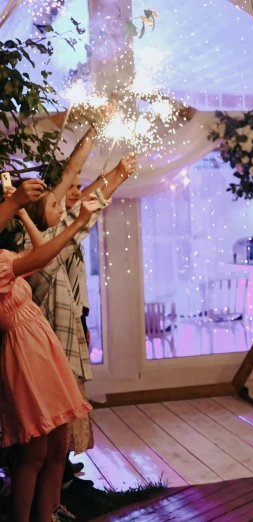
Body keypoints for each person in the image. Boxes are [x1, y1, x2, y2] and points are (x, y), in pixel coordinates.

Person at [23, 152, 136, 493]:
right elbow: (77, 222)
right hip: (46, 353)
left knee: (57, 447)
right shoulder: (35, 254)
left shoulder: (47, 245)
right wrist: (116, 174)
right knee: (44, 448)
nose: (66, 202)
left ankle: (57, 503)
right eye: (55, 202)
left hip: (61, 340)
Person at [0, 179, 98, 522]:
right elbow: (44, 255)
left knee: (57, 442)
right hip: (24, 353)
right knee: (35, 451)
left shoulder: (4, 256)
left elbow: (41, 254)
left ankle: (48, 516)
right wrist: (78, 221)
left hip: (41, 346)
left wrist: (22, 211)